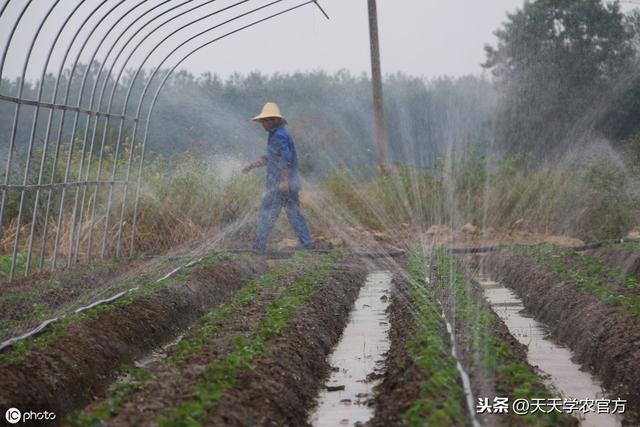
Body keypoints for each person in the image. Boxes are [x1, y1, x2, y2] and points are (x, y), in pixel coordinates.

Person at [242, 102, 314, 252]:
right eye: (263, 120)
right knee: (293, 213)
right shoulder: (277, 134)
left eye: (267, 120)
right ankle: (307, 244)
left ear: (275, 120)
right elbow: (269, 157)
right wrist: (251, 166)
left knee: (266, 213)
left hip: (280, 185)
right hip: (288, 184)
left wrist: (283, 181)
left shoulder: (279, 135)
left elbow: (284, 159)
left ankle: (258, 246)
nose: (264, 124)